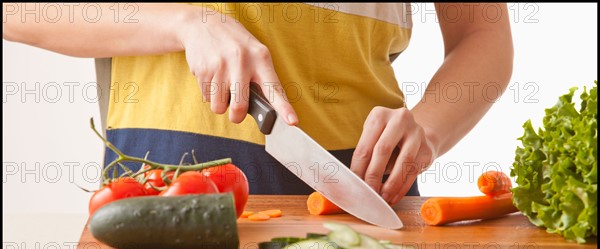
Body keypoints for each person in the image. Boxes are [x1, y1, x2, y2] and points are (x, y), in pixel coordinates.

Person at [3, 3, 513, 202]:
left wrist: (427, 129)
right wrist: (184, 23)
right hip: (165, 184)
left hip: (364, 185)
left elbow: (482, 35)